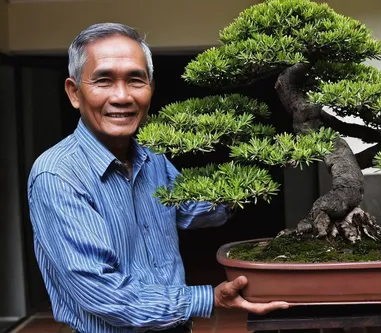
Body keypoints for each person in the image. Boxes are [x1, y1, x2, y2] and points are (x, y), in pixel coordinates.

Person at [27, 23, 289, 333]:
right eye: (104, 81)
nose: (122, 96)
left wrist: (245, 177)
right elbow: (100, 293)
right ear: (74, 92)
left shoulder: (152, 157)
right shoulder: (58, 174)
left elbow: (192, 211)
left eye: (136, 80)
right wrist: (207, 299)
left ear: (151, 87)